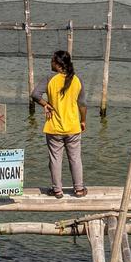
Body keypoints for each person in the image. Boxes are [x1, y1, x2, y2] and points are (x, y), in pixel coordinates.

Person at [31, 50, 87, 198]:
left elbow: (35, 94)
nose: (50, 63)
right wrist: (83, 120)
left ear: (58, 63)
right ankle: (79, 189)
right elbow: (82, 104)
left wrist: (45, 104)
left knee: (55, 159)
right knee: (75, 158)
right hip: (73, 126)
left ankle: (57, 190)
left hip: (54, 127)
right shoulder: (77, 79)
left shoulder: (50, 78)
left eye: (52, 61)